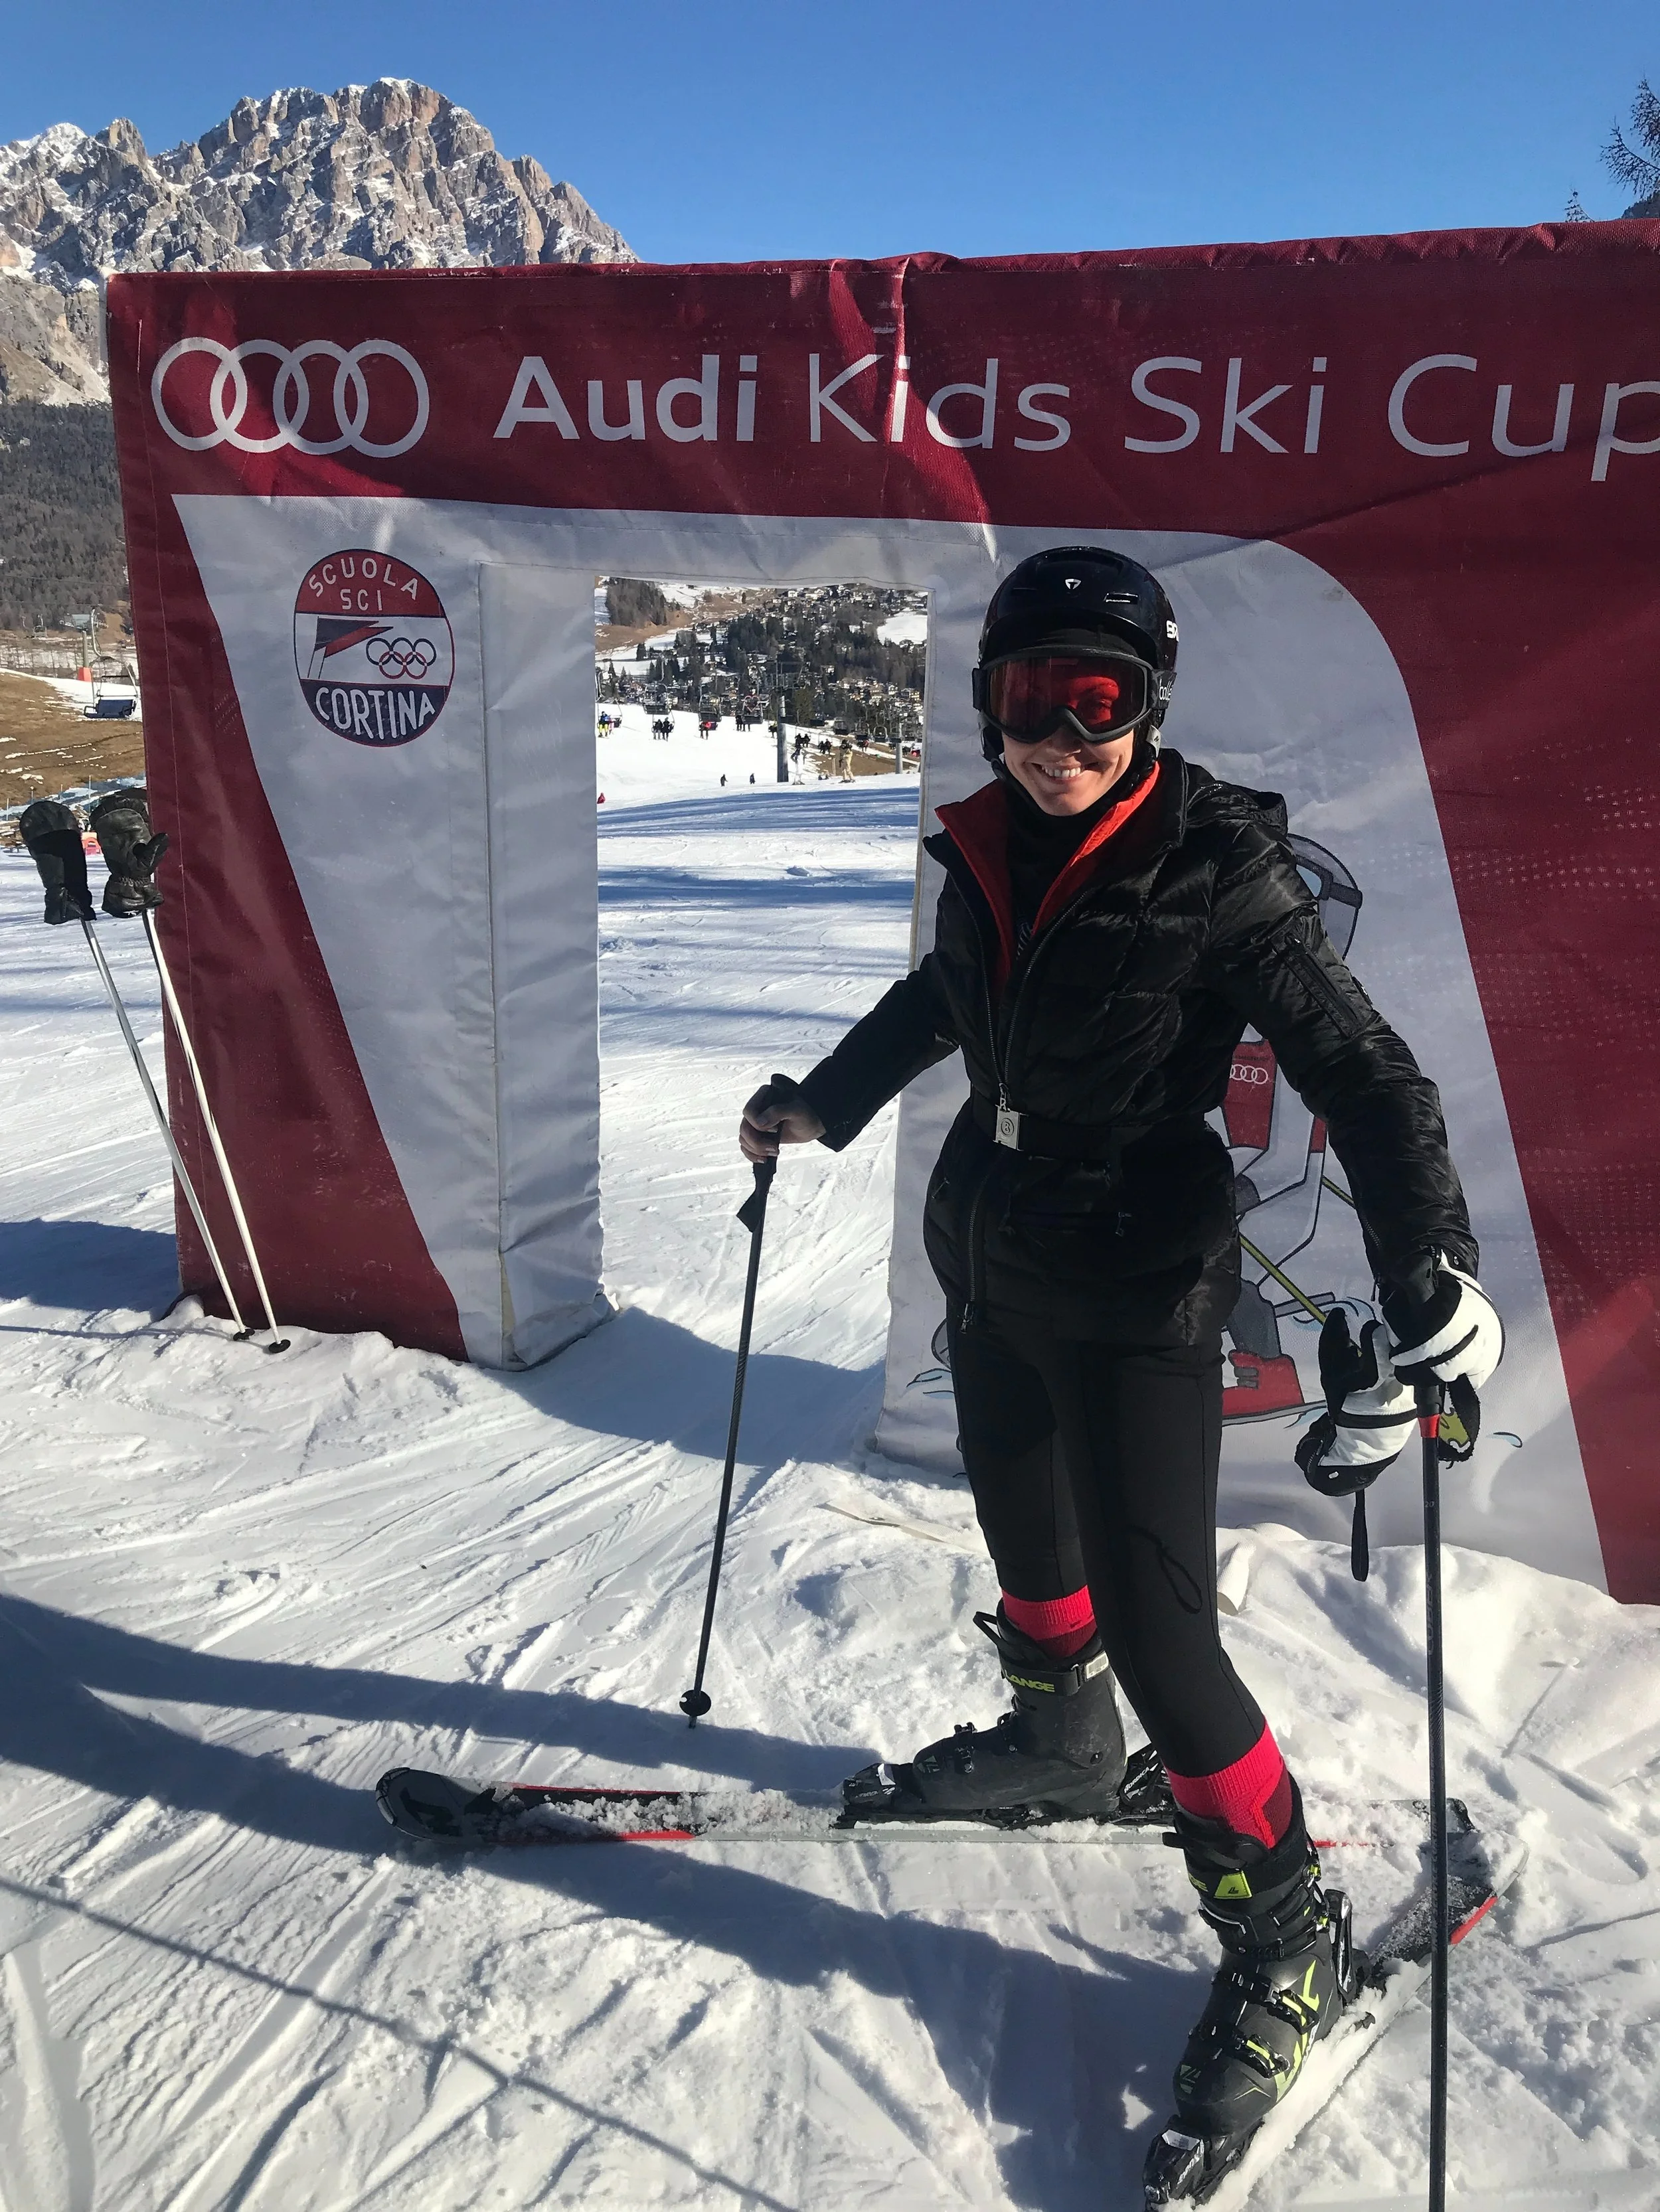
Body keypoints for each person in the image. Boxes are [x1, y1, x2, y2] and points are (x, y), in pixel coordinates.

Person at [738, 546, 1501, 2177]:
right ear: (987, 701)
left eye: (1098, 700)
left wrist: (1427, 1268)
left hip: (1142, 1280)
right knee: (1023, 1539)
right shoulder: (985, 841)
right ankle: (1054, 1739)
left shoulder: (1216, 863)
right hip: (993, 1248)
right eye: (1029, 698)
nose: (1059, 736)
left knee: (1169, 1636)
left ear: (1149, 706)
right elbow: (944, 993)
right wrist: (828, 1095)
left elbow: (1361, 1071)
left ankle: (1283, 1927)